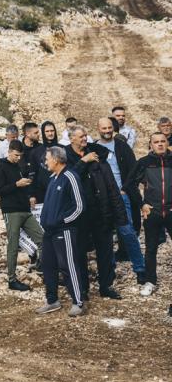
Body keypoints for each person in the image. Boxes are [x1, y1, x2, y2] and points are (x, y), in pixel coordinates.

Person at [65, 126, 126, 300]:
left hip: (100, 211)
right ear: (72, 139)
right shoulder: (66, 156)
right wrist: (84, 161)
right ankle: (83, 289)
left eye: (86, 135)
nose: (85, 139)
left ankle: (106, 286)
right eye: (81, 136)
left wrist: (119, 214)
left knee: (105, 251)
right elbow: (68, 179)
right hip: (80, 214)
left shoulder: (96, 154)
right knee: (80, 252)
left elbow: (110, 184)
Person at [35, 147, 85, 317]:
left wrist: (62, 222)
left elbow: (79, 207)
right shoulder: (53, 178)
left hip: (64, 231)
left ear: (56, 160)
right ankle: (52, 301)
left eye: (47, 159)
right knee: (47, 265)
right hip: (49, 231)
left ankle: (78, 302)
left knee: (68, 266)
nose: (45, 162)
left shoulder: (70, 177)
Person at [96, 117, 145, 283]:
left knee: (127, 232)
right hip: (103, 199)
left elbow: (134, 169)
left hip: (120, 196)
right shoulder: (94, 148)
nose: (107, 131)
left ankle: (140, 269)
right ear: (98, 129)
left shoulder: (121, 146)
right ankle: (109, 273)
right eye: (104, 128)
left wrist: (125, 188)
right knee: (105, 235)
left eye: (110, 128)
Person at [124, 133, 172, 299]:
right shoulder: (144, 163)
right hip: (152, 212)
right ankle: (150, 281)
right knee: (151, 248)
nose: (160, 144)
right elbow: (130, 184)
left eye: (162, 141)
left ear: (167, 143)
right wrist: (142, 204)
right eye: (156, 142)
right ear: (150, 144)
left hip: (171, 211)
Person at [0, 140, 44, 291]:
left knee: (42, 238)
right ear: (9, 151)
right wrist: (17, 184)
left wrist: (28, 191)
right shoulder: (1, 166)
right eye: (16, 155)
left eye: (20, 156)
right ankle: (11, 279)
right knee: (13, 246)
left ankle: (45, 269)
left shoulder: (20, 165)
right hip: (11, 210)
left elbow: (25, 185)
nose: (18, 158)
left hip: (25, 209)